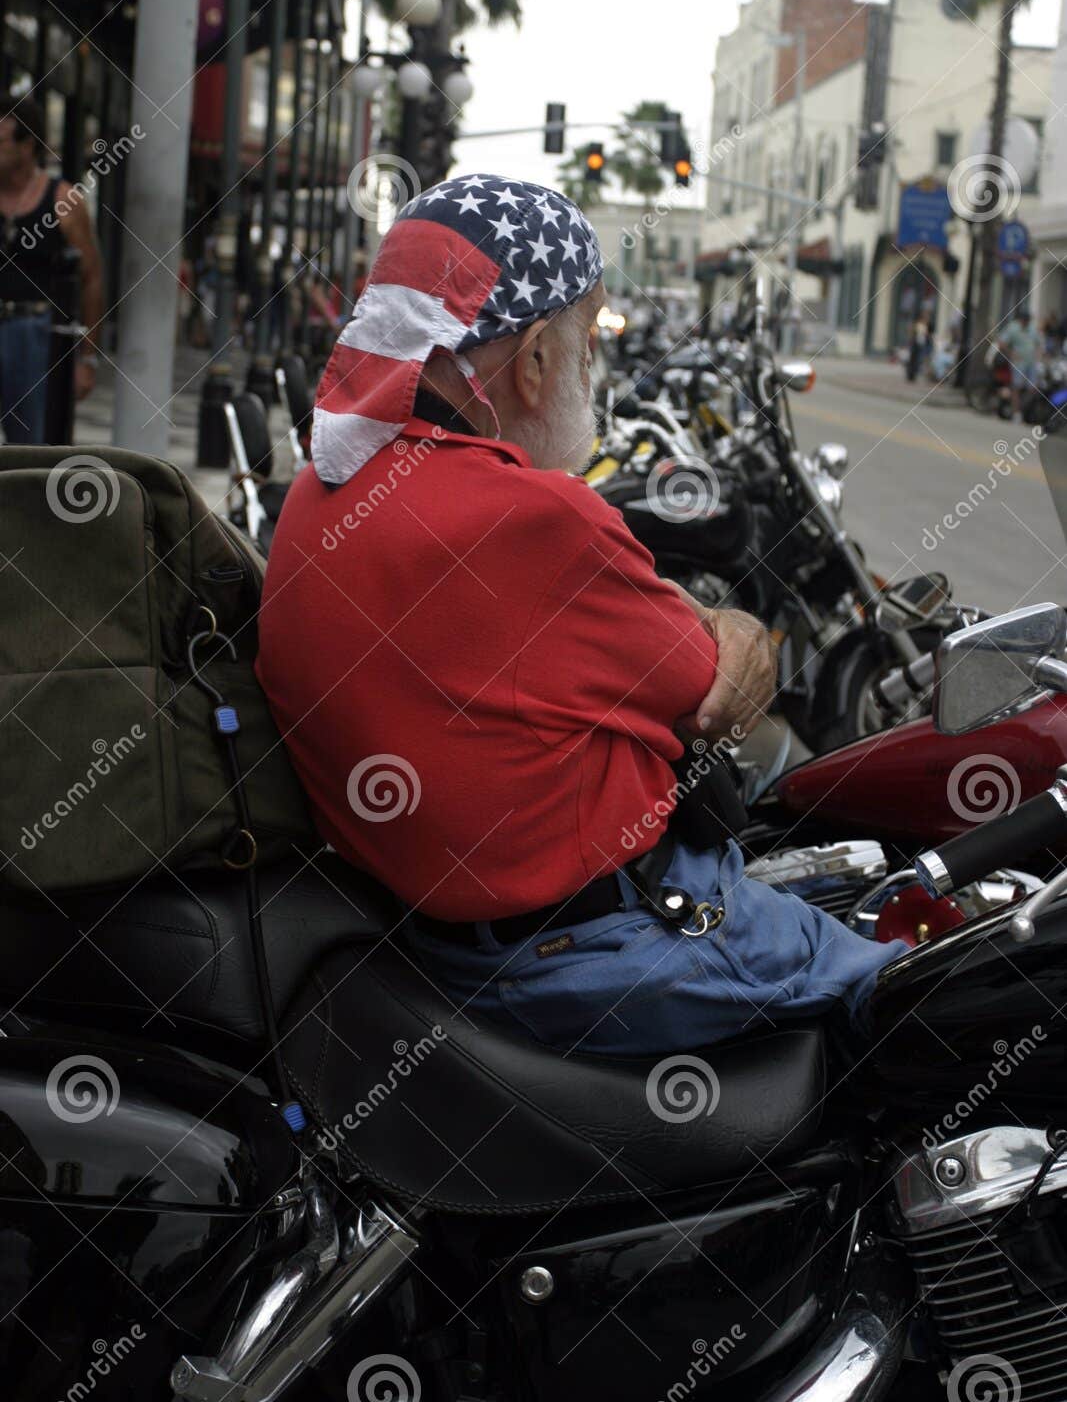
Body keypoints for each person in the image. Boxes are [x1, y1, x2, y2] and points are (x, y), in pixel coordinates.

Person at [256, 174, 906, 1058]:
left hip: (434, 943)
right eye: (586, 336)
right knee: (924, 1001)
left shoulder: (319, 489)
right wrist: (738, 628)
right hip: (594, 951)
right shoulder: (536, 519)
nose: (590, 366)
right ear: (530, 360)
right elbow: (715, 693)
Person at [0, 93, 103, 443]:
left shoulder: (62, 201)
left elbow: (92, 278)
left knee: (31, 447)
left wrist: (87, 359)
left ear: (27, 145)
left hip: (35, 333)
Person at [1000, 307, 1038, 421]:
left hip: (1031, 362)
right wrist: (1011, 354)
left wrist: (1040, 355)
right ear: (1020, 319)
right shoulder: (1013, 328)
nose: (1026, 322)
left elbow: (1039, 343)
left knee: (1033, 389)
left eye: (1028, 320)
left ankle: (1024, 410)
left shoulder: (1032, 329)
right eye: (1024, 319)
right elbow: (1002, 343)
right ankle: (1016, 413)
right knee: (1017, 387)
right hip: (1018, 363)